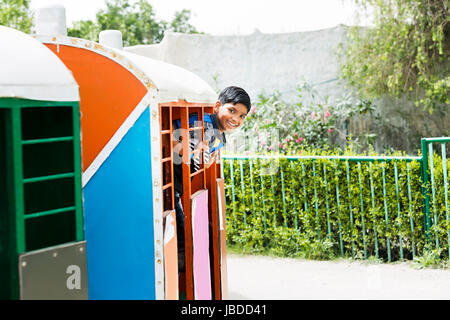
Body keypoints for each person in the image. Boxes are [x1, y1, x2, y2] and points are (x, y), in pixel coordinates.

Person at [172, 86, 251, 273]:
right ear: (217, 106)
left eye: (242, 116)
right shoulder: (204, 123)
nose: (236, 119)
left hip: (183, 183)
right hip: (173, 178)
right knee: (176, 212)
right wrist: (188, 150)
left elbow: (205, 160)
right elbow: (174, 133)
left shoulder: (220, 137)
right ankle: (181, 257)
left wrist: (205, 158)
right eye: (232, 111)